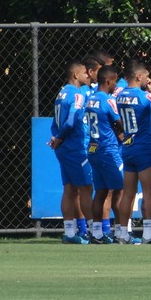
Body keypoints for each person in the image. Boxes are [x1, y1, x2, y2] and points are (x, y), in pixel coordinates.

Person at [115, 59, 151, 244]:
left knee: (128, 193)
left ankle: (123, 233)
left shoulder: (119, 96)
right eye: (146, 76)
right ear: (139, 76)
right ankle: (148, 234)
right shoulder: (145, 97)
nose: (148, 79)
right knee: (148, 192)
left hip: (128, 146)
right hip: (144, 147)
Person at [49, 60, 93, 244]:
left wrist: (56, 138)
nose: (88, 76)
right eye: (85, 73)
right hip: (76, 148)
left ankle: (69, 233)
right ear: (76, 75)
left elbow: (55, 123)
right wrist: (60, 137)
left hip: (63, 149)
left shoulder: (60, 94)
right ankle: (94, 231)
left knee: (69, 189)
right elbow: (71, 121)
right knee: (85, 188)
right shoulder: (77, 95)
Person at [84, 64, 124, 244]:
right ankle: (122, 232)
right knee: (120, 190)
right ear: (108, 80)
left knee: (100, 191)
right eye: (115, 80)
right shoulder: (108, 101)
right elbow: (119, 122)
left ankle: (97, 233)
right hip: (108, 150)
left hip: (93, 148)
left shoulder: (90, 99)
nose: (116, 84)